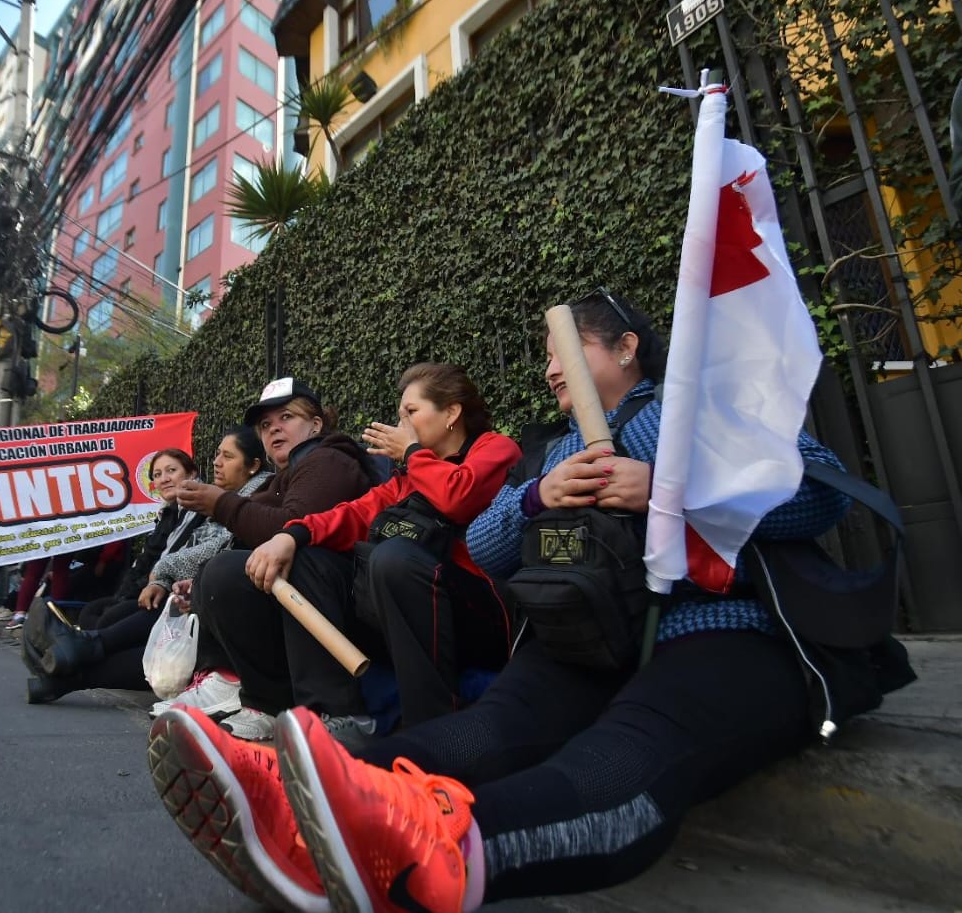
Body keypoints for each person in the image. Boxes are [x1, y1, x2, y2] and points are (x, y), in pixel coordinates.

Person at [144, 290, 875, 913]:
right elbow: (492, 547)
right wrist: (536, 497)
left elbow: (821, 494)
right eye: (547, 353)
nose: (551, 365)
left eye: (569, 346)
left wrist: (668, 492)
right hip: (594, 640)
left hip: (719, 631)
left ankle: (431, 859)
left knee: (626, 754)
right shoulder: (558, 451)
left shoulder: (693, 412)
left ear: (626, 348)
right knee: (490, 730)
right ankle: (292, 800)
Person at [244, 362, 520, 728]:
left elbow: (459, 495)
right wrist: (291, 535)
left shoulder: (495, 448)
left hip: (480, 614)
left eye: (412, 412)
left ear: (451, 412)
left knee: (394, 559)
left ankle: (433, 727)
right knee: (308, 560)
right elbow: (357, 513)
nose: (402, 424)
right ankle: (335, 716)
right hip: (411, 603)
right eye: (400, 415)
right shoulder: (411, 475)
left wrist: (412, 453)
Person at [164, 377, 381, 741]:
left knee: (275, 561)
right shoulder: (282, 478)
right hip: (303, 606)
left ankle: (329, 712)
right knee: (216, 575)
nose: (274, 428)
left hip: (345, 603)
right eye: (265, 425)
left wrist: (219, 503)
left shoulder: (329, 459)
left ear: (316, 424)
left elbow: (288, 529)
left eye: (286, 417)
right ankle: (255, 696)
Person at [20, 448, 208, 699]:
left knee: (128, 622)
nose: (163, 478)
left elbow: (187, 558)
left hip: (184, 602)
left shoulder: (212, 507)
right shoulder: (171, 512)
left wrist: (158, 582)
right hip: (165, 592)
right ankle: (72, 659)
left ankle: (69, 667)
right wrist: (128, 593)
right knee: (100, 612)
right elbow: (148, 559)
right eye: (158, 474)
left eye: (171, 471)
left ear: (192, 473)